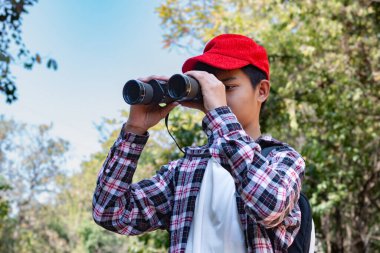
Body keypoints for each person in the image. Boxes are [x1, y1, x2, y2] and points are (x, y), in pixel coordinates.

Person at [92, 34, 305, 253]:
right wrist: (134, 131)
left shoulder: (283, 160)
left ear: (261, 91)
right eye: (211, 88)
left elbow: (269, 205)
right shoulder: (184, 171)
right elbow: (109, 212)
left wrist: (220, 115)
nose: (216, 95)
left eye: (228, 87)